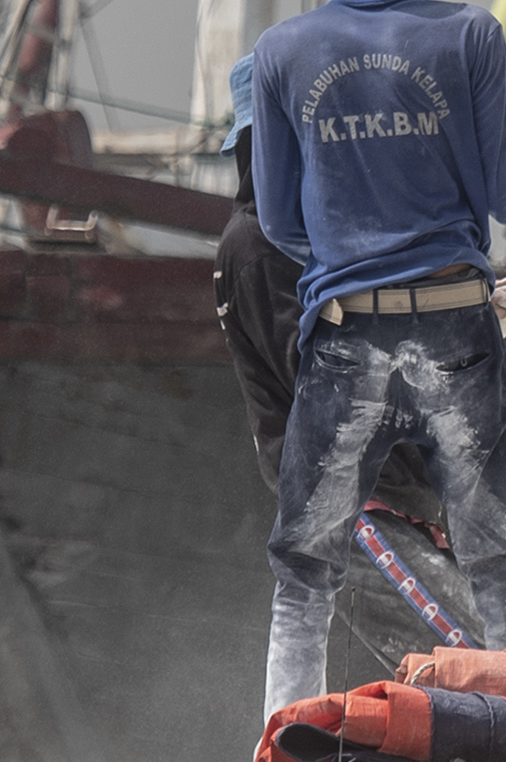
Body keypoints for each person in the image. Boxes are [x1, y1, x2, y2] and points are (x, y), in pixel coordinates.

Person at [246, 0, 506, 718]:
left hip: (347, 332)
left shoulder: (281, 51)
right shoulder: (468, 35)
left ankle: (283, 731)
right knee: (497, 552)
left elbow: (280, 222)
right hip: (455, 329)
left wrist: (353, 250)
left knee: (306, 561)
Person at [209, 56, 491, 672]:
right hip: (357, 511)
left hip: (387, 506)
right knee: (484, 665)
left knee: (471, 678)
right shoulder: (259, 247)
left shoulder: (309, 243)